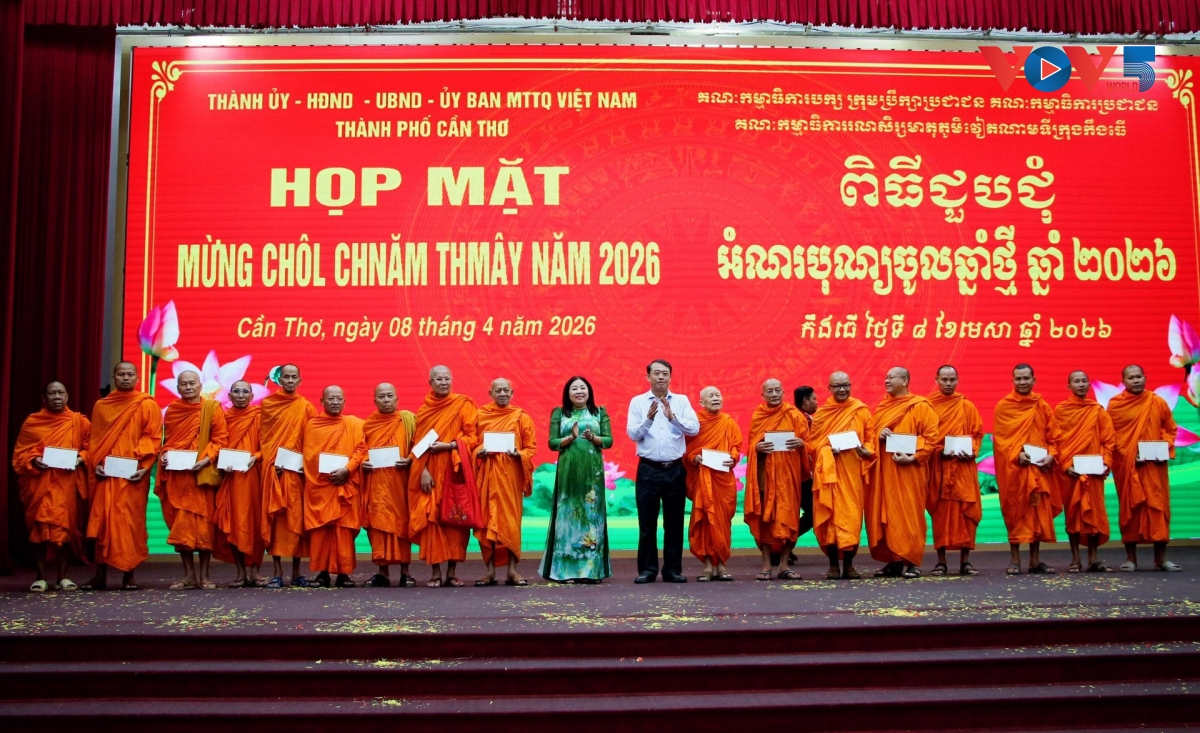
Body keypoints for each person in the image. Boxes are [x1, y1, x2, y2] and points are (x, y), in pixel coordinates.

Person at [81, 361, 161, 591]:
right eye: (121, 374)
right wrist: (95, 464)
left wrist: (144, 467)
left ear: (137, 378)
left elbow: (153, 438)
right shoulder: (102, 406)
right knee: (104, 522)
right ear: (114, 378)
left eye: (130, 374)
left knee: (130, 523)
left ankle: (129, 574)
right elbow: (95, 441)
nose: (125, 378)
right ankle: (100, 575)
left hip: (133, 474)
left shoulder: (146, 404)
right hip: (106, 475)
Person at [11, 381, 89, 592]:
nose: (57, 397)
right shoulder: (33, 422)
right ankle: (41, 577)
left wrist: (80, 459)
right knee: (40, 529)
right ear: (44, 398)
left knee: (65, 529)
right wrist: (34, 460)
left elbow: (91, 447)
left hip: (66, 482)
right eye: (52, 393)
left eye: (60, 393)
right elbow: (20, 454)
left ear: (67, 397)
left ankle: (63, 576)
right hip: (40, 483)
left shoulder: (78, 422)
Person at [627, 359, 699, 584]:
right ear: (647, 377)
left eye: (665, 373)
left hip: (675, 469)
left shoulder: (681, 401)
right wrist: (648, 420)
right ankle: (647, 570)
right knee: (647, 523)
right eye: (656, 373)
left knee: (674, 522)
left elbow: (694, 428)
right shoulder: (638, 402)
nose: (660, 377)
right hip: (648, 469)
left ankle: (672, 570)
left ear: (670, 377)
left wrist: (673, 418)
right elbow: (633, 434)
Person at [409, 365, 479, 588]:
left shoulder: (463, 405)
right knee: (431, 519)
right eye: (439, 379)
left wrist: (449, 446)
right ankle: (435, 573)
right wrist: (423, 471)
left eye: (447, 378)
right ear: (430, 382)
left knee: (455, 521)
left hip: (455, 471)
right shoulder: (425, 410)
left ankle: (451, 572)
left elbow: (472, 437)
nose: (443, 383)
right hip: (430, 474)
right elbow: (418, 445)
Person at [158, 370, 228, 590]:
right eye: (183, 384)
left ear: (200, 386)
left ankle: (205, 576)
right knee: (181, 526)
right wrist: (165, 454)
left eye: (192, 383)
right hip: (180, 477)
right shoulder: (173, 410)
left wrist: (206, 459)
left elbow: (220, 440)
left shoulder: (212, 408)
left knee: (204, 526)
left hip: (201, 477)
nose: (188, 387)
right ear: (177, 388)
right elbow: (169, 441)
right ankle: (188, 575)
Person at [866, 367, 939, 579]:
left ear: (905, 380)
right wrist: (879, 435)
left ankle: (913, 561)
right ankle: (895, 561)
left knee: (910, 515)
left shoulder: (921, 406)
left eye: (891, 377)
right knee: (888, 516)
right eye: (885, 377)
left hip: (909, 471)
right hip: (886, 473)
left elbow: (931, 438)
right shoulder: (883, 406)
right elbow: (870, 436)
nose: (886, 381)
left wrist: (913, 457)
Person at [1108, 365, 1181, 572]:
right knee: (1131, 510)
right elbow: (1110, 436)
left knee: (1158, 508)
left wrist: (1162, 448)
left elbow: (1170, 430)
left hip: (1154, 467)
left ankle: (1160, 558)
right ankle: (1131, 558)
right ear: (1123, 381)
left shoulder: (1157, 402)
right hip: (1129, 468)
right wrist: (1130, 455)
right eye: (1131, 378)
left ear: (1145, 378)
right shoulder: (1116, 405)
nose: (1136, 380)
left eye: (1139, 376)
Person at [541, 376, 613, 584]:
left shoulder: (599, 412)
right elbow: (552, 443)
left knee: (592, 517)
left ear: (589, 391)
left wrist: (593, 438)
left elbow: (608, 441)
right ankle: (565, 571)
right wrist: (571, 438)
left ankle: (592, 571)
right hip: (569, 472)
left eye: (583, 388)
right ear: (568, 393)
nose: (579, 391)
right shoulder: (559, 413)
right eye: (574, 388)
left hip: (592, 474)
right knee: (567, 517)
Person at [992, 363, 1061, 575]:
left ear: (1034, 380)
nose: (1022, 382)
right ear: (1012, 380)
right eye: (1018, 378)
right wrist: (1017, 455)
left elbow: (1053, 437)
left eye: (1026, 378)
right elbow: (1001, 442)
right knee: (1015, 511)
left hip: (1038, 470)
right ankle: (1015, 559)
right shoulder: (1004, 406)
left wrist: (1051, 455)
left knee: (1036, 512)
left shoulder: (1042, 406)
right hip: (1015, 470)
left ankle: (1034, 560)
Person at [807, 372, 871, 580]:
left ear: (851, 385)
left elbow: (869, 438)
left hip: (852, 473)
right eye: (837, 386)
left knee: (851, 518)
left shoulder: (861, 410)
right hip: (829, 476)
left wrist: (866, 450)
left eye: (845, 385)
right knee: (831, 519)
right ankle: (833, 564)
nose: (842, 389)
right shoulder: (822, 415)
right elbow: (814, 445)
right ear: (829, 388)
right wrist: (827, 449)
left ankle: (849, 565)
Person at [474, 378, 537, 587]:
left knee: (510, 523)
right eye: (498, 390)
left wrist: (518, 453)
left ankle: (512, 570)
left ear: (512, 393)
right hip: (487, 477)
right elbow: (472, 444)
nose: (502, 394)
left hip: (510, 477)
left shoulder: (521, 417)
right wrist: (479, 452)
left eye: (506, 390)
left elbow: (530, 448)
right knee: (487, 521)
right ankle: (490, 571)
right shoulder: (480, 416)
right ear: (490, 393)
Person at [259, 364, 316, 588]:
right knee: (276, 523)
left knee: (296, 522)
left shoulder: (306, 407)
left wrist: (306, 465)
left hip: (297, 474)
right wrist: (271, 463)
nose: (290, 381)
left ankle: (297, 572)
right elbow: (265, 439)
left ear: (300, 381)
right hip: (275, 472)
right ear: (279, 380)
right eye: (286, 377)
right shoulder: (268, 405)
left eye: (294, 377)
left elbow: (311, 441)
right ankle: (277, 572)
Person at [1053, 371, 1116, 573]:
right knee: (1073, 514)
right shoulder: (1061, 411)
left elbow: (1108, 440)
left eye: (1084, 381)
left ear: (1089, 384)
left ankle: (1093, 558)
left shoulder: (1097, 411)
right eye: (1076, 381)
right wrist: (1064, 466)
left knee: (1095, 512)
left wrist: (1106, 463)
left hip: (1094, 472)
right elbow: (1055, 441)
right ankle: (1075, 559)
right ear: (1068, 386)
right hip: (1070, 472)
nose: (1080, 384)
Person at [744, 378, 807, 581]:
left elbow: (809, 443)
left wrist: (801, 444)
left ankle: (784, 565)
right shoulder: (759, 415)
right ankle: (765, 565)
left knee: (789, 520)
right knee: (765, 520)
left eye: (777, 390)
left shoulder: (794, 415)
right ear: (762, 395)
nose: (774, 394)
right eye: (769, 391)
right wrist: (757, 448)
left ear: (783, 392)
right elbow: (752, 445)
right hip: (766, 477)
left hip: (789, 477)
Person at [302, 386, 365, 588]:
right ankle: (322, 574)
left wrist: (347, 469)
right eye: (331, 399)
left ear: (344, 402)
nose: (335, 402)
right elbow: (309, 457)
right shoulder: (313, 426)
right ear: (322, 401)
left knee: (344, 531)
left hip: (346, 484)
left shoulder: (355, 424)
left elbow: (362, 449)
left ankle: (344, 574)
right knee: (321, 532)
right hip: (322, 486)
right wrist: (328, 475)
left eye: (339, 399)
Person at [926, 366, 984, 577]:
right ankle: (941, 561)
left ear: (958, 380)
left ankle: (965, 561)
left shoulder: (966, 406)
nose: (948, 384)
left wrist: (972, 450)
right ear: (936, 380)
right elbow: (925, 436)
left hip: (963, 468)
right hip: (940, 468)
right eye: (944, 380)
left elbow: (977, 434)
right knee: (940, 515)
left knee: (966, 513)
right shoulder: (928, 406)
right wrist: (938, 451)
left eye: (952, 380)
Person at [683, 386, 742, 582]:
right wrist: (694, 457)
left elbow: (736, 446)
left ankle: (722, 564)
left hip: (723, 479)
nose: (716, 398)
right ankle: (708, 565)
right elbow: (686, 450)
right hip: (703, 478)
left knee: (723, 522)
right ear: (701, 402)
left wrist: (733, 457)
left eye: (718, 395)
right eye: (711, 396)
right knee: (706, 520)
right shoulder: (695, 423)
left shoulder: (728, 422)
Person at [361, 382, 416, 588]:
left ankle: (405, 572)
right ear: (374, 401)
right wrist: (363, 462)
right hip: (376, 483)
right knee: (378, 526)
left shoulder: (408, 420)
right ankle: (382, 572)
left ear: (397, 399)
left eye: (390, 396)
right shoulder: (368, 425)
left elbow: (417, 445)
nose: (386, 400)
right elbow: (360, 449)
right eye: (382, 397)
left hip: (400, 483)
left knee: (402, 525)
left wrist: (410, 459)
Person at [214, 380, 265, 587]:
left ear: (252, 397)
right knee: (234, 523)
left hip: (254, 477)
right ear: (229, 396)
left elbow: (268, 445)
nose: (241, 395)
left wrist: (257, 456)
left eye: (245, 392)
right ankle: (240, 571)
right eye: (237, 391)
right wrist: (221, 461)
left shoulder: (259, 417)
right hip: (231, 478)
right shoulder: (223, 418)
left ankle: (255, 571)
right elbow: (216, 444)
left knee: (254, 522)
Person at [789, 385, 819, 566]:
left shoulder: (803, 417)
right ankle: (784, 546)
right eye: (814, 399)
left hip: (799, 474)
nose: (817, 403)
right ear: (806, 400)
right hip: (799, 475)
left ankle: (785, 546)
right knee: (814, 512)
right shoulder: (801, 419)